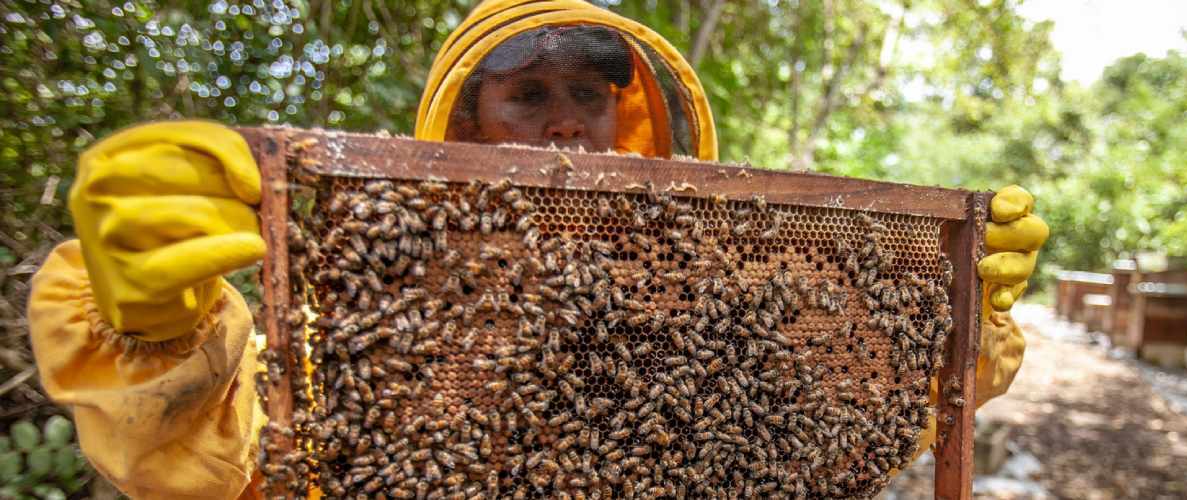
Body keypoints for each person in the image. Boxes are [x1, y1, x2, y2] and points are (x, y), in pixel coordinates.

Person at [26, 0, 1047, 498]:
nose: (565, 129)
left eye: (588, 97)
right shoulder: (379, 323)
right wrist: (154, 333)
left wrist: (956, 318)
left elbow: (838, 430)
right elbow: (234, 461)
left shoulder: (726, 300)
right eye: (527, 94)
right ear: (460, 128)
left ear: (631, 116)